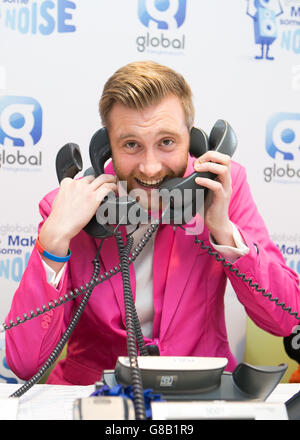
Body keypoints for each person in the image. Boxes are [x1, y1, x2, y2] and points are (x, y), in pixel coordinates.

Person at [5, 61, 300, 386]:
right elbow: (24, 364)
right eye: (131, 144)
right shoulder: (67, 207)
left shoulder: (221, 187)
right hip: (98, 396)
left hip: (201, 391)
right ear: (106, 146)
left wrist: (223, 229)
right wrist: (56, 238)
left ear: (192, 140)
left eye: (167, 142)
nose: (149, 167)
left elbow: (286, 320)